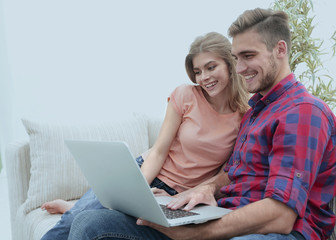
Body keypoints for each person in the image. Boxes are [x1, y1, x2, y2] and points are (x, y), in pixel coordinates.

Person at [67, 8, 336, 240]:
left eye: (248, 56)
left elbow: (281, 215)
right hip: (226, 216)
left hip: (274, 231)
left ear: (280, 50)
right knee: (90, 223)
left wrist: (195, 233)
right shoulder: (256, 111)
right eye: (236, 57)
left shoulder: (303, 112)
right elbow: (232, 172)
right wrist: (203, 190)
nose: (240, 68)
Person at [40, 31, 250, 240]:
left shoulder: (245, 116)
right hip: (144, 174)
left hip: (176, 195)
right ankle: (76, 207)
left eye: (211, 67)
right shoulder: (185, 95)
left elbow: (224, 173)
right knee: (73, 219)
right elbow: (159, 151)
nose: (204, 77)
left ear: (231, 65)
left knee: (90, 217)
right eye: (198, 71)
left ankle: (82, 205)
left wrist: (179, 198)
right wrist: (140, 192)